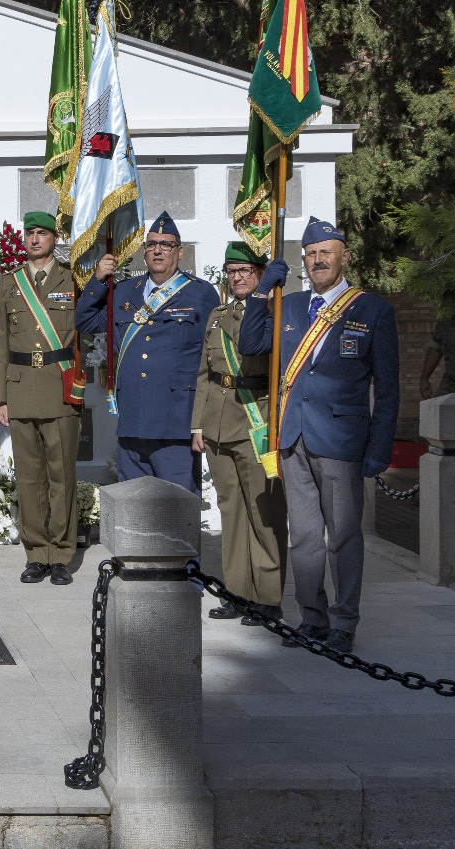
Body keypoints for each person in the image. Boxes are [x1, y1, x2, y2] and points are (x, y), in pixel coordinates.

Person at [241, 217, 399, 654]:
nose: (317, 260)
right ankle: (312, 618)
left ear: (344, 256)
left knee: (344, 537)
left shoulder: (372, 310)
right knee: (306, 538)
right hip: (293, 439)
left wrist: (379, 449)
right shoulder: (289, 305)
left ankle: (344, 622)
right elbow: (251, 345)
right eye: (310, 254)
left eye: (325, 252)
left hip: (342, 440)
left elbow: (388, 389)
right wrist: (261, 292)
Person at [78, 211, 218, 491]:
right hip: (133, 419)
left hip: (176, 422)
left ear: (179, 252)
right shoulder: (124, 291)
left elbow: (213, 353)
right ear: (144, 251)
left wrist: (204, 421)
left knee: (177, 505)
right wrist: (97, 280)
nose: (157, 250)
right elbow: (85, 322)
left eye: (166, 244)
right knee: (134, 505)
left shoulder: (200, 293)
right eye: (151, 244)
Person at [0, 211, 87, 585]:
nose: (34, 239)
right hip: (21, 389)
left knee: (62, 477)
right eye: (29, 233)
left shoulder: (73, 279)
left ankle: (61, 555)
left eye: (42, 233)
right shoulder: (9, 283)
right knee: (29, 480)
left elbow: (87, 330)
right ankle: (36, 554)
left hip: (60, 389)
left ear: (53, 239)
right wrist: (0, 398)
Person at [191, 243, 285, 624]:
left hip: (255, 421)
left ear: (260, 274)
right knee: (231, 511)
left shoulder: (275, 313)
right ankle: (238, 592)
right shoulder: (218, 315)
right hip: (218, 422)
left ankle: (268, 597)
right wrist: (198, 423)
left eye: (245, 270)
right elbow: (205, 373)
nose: (237, 277)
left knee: (263, 512)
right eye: (231, 271)